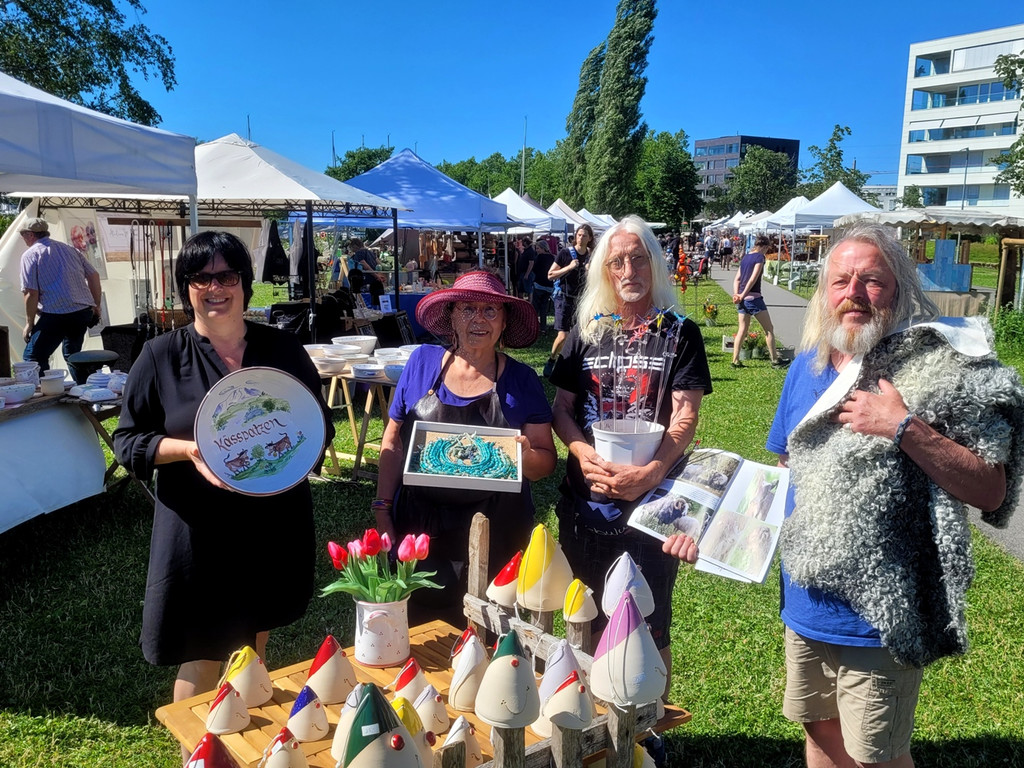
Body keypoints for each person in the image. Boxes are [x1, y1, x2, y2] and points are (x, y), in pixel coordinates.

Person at [766, 222, 1024, 768]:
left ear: (900, 289)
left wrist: (903, 426)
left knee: (875, 758)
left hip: (883, 616)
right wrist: (719, 536)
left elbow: (991, 488)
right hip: (805, 604)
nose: (854, 294)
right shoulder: (804, 369)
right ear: (823, 292)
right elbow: (784, 476)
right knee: (819, 736)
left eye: (872, 281)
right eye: (841, 281)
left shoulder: (938, 370)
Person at [112, 232, 334, 742]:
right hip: (198, 527)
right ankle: (199, 749)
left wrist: (304, 452)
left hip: (272, 519)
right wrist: (187, 449)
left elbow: (315, 421)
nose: (215, 287)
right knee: (201, 647)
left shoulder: (279, 347)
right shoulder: (161, 355)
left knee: (253, 639)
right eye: (201, 278)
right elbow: (128, 442)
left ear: (245, 284)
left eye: (227, 276)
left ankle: (248, 742)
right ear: (185, 288)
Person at [549, 215, 713, 675]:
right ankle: (587, 728)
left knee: (649, 629)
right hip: (585, 506)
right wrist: (582, 455)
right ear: (604, 271)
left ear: (655, 265)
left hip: (651, 509)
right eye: (617, 262)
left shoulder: (680, 333)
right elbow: (560, 409)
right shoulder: (586, 331)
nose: (628, 272)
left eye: (638, 260)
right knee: (582, 623)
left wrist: (652, 472)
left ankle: (648, 738)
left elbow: (685, 414)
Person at [374, 271, 557, 628]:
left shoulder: (521, 381)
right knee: (419, 634)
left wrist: (522, 455)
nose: (479, 319)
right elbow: (394, 439)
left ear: (504, 322)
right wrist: (382, 509)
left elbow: (546, 462)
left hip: (496, 532)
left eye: (491, 311)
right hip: (421, 529)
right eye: (468, 309)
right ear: (451, 316)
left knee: (487, 640)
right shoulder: (422, 363)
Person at [18, 217, 102, 382]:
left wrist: (29, 323)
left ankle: (44, 397)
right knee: (73, 355)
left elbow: (31, 293)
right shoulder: (69, 249)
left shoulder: (30, 255)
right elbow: (94, 275)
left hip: (57, 313)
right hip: (81, 312)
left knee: (33, 357)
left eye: (23, 236)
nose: (23, 239)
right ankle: (87, 392)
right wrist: (96, 305)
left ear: (30, 235)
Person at [543, 223, 594, 378]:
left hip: (582, 301)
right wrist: (569, 267)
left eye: (584, 235)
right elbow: (550, 275)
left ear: (590, 238)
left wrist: (591, 272)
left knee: (582, 334)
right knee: (563, 335)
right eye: (579, 234)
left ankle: (575, 363)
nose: (581, 237)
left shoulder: (591, 256)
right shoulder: (566, 253)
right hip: (564, 298)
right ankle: (552, 359)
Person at [732, 233, 788, 369]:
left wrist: (737, 295)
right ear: (763, 246)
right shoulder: (759, 258)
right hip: (754, 298)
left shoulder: (745, 258)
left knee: (742, 330)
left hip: (742, 299)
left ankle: (735, 360)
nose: (767, 251)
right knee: (769, 329)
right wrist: (743, 294)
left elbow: (737, 279)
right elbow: (753, 278)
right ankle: (775, 360)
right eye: (767, 248)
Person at [531, 238, 556, 330]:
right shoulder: (552, 257)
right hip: (549, 285)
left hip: (539, 284)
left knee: (535, 307)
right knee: (544, 309)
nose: (537, 250)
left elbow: (534, 269)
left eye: (538, 248)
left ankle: (533, 326)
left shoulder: (539, 257)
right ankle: (543, 327)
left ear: (543, 248)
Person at [516, 235, 536, 299]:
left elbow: (531, 263)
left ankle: (530, 303)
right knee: (521, 289)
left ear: (525, 242)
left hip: (526, 273)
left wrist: (527, 274)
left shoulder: (531, 251)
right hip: (522, 273)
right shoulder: (526, 250)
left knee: (528, 290)